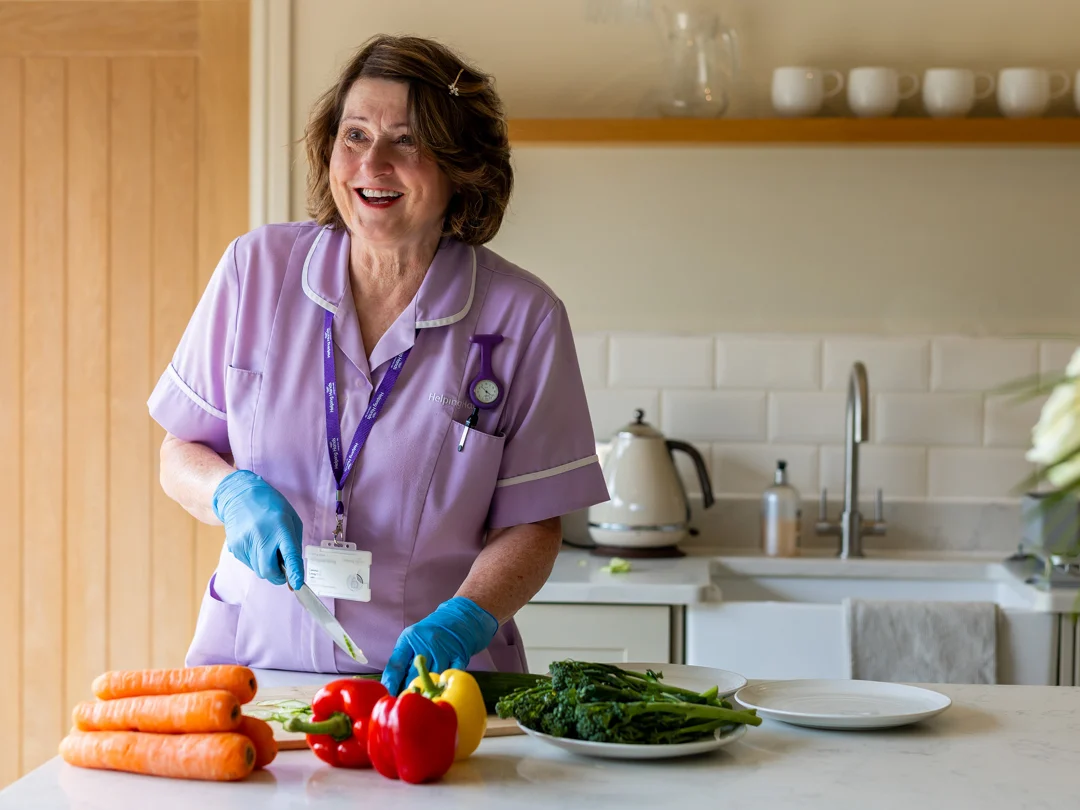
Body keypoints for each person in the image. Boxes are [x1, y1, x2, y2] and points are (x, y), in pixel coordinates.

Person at [148, 34, 609, 695]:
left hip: (438, 684)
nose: (373, 164)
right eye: (356, 135)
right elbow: (179, 452)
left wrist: (468, 616)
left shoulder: (522, 316)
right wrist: (229, 493)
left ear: (460, 166)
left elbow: (534, 523)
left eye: (407, 141)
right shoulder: (255, 271)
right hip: (260, 667)